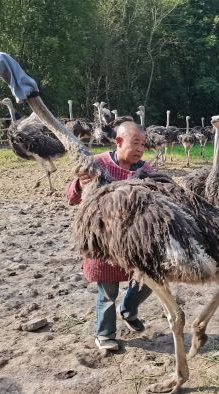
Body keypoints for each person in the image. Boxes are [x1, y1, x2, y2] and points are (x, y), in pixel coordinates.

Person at [65, 121, 154, 352]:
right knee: (108, 292)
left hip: (137, 241)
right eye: (135, 143)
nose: (140, 149)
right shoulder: (96, 165)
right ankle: (105, 335)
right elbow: (71, 198)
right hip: (104, 242)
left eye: (143, 144)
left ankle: (129, 309)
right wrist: (78, 184)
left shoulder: (147, 171)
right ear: (118, 142)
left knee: (150, 280)